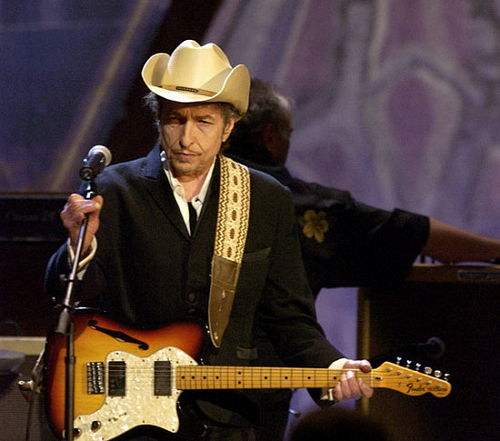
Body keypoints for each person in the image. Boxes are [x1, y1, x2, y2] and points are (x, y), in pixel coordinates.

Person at [45, 41, 373, 441]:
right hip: (133, 417)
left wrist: (332, 366)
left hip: (233, 417)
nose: (187, 138)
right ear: (158, 120)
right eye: (175, 119)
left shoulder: (265, 198)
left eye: (203, 121)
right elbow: (66, 294)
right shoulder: (115, 189)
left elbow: (289, 314)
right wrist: (78, 245)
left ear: (228, 127)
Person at [226, 79, 500, 297]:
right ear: (270, 137)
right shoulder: (307, 207)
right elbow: (408, 233)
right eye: (287, 133)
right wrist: (492, 250)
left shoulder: (204, 188)